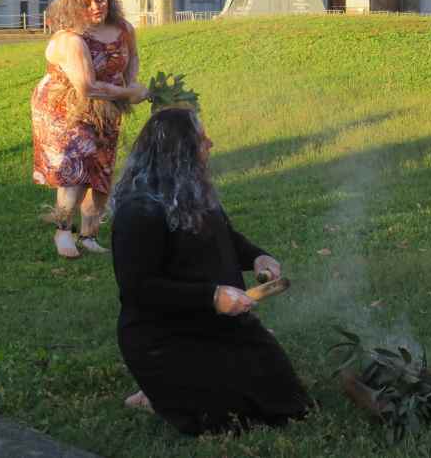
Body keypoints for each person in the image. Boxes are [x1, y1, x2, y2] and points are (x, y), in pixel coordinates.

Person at [110, 107, 312, 435]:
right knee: (228, 421)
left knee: (289, 404)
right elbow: (139, 288)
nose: (210, 144)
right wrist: (212, 297)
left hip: (218, 325)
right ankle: (159, 393)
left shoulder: (191, 190)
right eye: (202, 140)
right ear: (179, 153)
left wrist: (258, 258)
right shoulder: (139, 210)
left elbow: (226, 238)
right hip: (165, 336)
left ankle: (169, 391)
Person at [32, 0, 149, 258]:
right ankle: (63, 231)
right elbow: (86, 87)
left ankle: (89, 235)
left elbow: (131, 58)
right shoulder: (70, 39)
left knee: (101, 171)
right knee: (75, 171)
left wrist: (130, 82)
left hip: (106, 107)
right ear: (73, 6)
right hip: (65, 108)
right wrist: (129, 93)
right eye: (86, 3)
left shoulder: (123, 28)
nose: (96, 6)